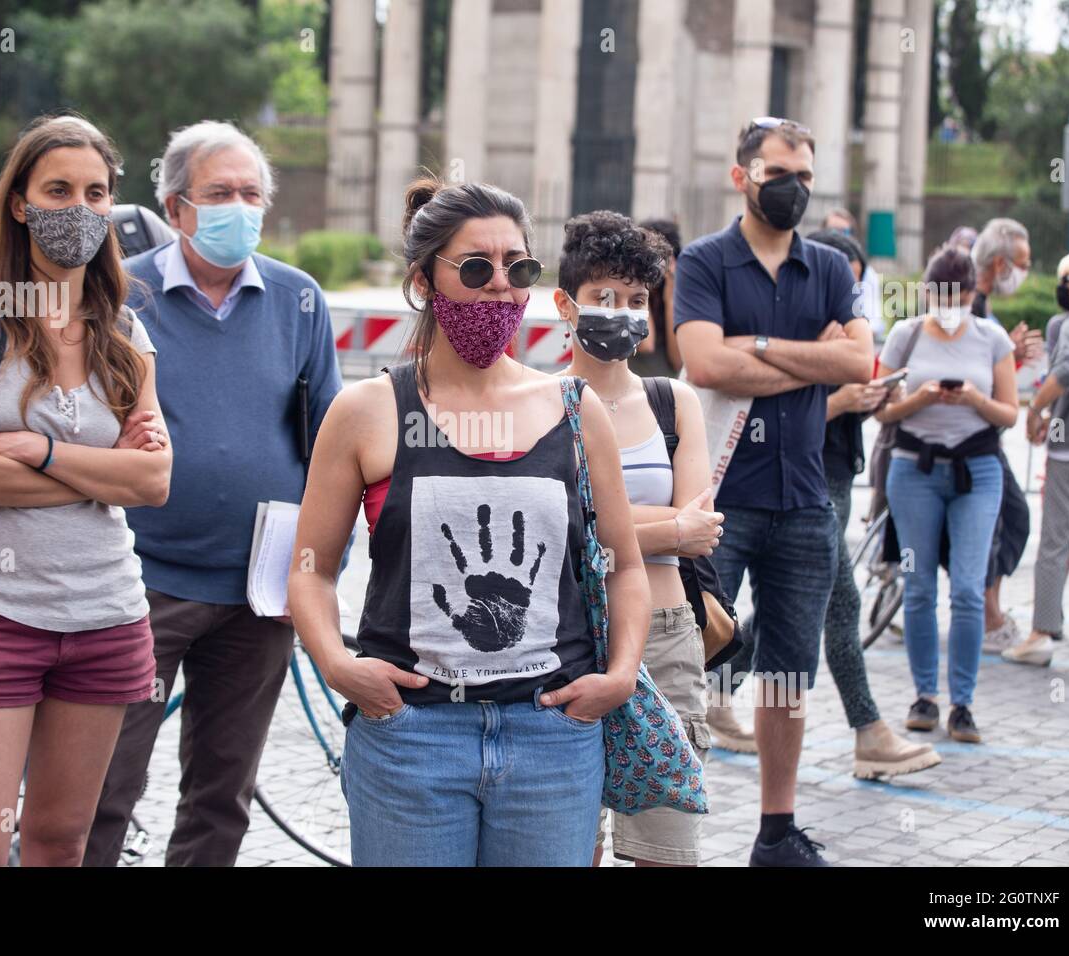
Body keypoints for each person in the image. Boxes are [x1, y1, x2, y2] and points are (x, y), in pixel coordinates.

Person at [287, 177, 651, 867]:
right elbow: (311, 569)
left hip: (551, 735)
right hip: (411, 740)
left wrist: (622, 675)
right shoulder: (369, 410)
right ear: (425, 280)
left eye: (519, 269)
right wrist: (338, 664)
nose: (501, 288)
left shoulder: (576, 408)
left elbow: (625, 564)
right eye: (477, 268)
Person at [85, 121, 342, 867]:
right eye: (220, 193)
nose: (240, 208)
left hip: (257, 592)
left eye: (251, 193)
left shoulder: (298, 300)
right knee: (104, 781)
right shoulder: (118, 292)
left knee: (223, 791)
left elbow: (333, 440)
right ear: (175, 207)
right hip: (137, 582)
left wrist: (316, 567)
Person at [0, 114, 172, 866]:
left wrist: (36, 449)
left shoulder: (124, 328)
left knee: (62, 841)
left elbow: (155, 480)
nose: (80, 208)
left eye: (96, 193)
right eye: (58, 189)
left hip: (104, 614)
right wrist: (99, 474)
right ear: (21, 204)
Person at [677, 118, 873, 866]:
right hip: (717, 503)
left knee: (788, 673)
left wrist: (752, 346)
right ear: (743, 176)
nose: (794, 188)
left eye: (806, 177)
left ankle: (776, 831)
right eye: (779, 172)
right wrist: (814, 359)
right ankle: (665, 825)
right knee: (685, 660)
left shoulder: (827, 265)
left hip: (805, 499)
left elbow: (860, 361)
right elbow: (704, 364)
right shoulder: (705, 262)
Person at [552, 209, 723, 867]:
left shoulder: (671, 402)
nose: (620, 312)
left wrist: (613, 526)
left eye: (635, 299)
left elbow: (700, 527)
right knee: (569, 843)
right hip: (569, 640)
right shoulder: (541, 400)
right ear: (567, 304)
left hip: (667, 634)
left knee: (667, 846)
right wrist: (664, 529)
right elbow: (558, 529)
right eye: (604, 297)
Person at [807, 229, 942, 778]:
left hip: (836, 476)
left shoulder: (849, 334)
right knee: (834, 604)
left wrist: (870, 401)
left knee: (806, 605)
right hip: (801, 485)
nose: (852, 295)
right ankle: (869, 733)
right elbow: (768, 424)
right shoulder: (796, 331)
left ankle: (718, 692)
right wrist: (840, 400)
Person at [875, 247, 1018, 745]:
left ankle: (962, 703)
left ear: (973, 295)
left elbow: (1009, 414)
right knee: (917, 586)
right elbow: (881, 410)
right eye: (939, 296)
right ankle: (924, 697)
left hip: (977, 471)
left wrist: (973, 399)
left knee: (966, 588)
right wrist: (923, 397)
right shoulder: (905, 334)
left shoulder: (992, 337)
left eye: (957, 297)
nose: (948, 305)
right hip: (914, 470)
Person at [1006, 251, 1069, 669]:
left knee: (1055, 541)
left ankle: (1042, 632)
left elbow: (1065, 371)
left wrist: (1035, 409)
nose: (1064, 285)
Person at [970, 218, 1041, 653]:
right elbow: (976, 380)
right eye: (1023, 263)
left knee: (1007, 523)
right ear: (1000, 263)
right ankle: (988, 613)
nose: (1025, 272)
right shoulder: (974, 306)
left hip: (983, 437)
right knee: (1008, 523)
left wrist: (1008, 356)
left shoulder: (984, 308)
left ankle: (987, 609)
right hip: (977, 443)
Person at [628, 216, 683, 376]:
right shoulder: (630, 290)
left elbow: (678, 360)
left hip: (666, 388)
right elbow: (646, 344)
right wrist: (643, 282)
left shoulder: (678, 292)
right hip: (637, 383)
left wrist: (670, 299)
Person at [822, 208, 884, 338]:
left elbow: (874, 322)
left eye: (843, 231)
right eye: (831, 230)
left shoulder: (867, 274)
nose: (837, 236)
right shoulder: (808, 265)